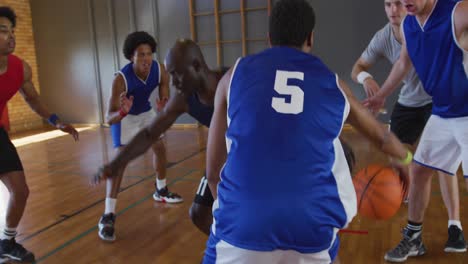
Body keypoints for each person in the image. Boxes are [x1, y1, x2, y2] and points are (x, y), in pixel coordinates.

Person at [203, 0, 411, 263]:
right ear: (310, 38)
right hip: (311, 229)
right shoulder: (333, 83)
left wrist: (242, 214)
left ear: (269, 38)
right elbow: (381, 136)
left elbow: (212, 172)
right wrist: (404, 159)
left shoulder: (233, 76)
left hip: (240, 230)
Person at [93, 38, 357, 237]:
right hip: (227, 159)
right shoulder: (184, 98)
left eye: (176, 74)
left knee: (267, 213)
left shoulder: (236, 80)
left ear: (196, 66)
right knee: (199, 214)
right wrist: (116, 164)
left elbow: (293, 111)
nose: (172, 82)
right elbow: (150, 132)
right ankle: (233, 248)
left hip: (261, 155)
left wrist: (338, 145)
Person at [351, 0, 465, 253]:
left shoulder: (456, 11)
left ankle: (454, 226)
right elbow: (402, 63)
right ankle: (414, 237)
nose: (401, 5)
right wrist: (379, 92)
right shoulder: (406, 27)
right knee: (420, 169)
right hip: (437, 109)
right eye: (394, 2)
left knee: (444, 170)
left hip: (455, 109)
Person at [0, 6, 79, 262]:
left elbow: (33, 99)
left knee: (20, 191)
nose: (10, 36)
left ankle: (6, 241)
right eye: (3, 31)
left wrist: (56, 121)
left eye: (12, 31)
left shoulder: (20, 69)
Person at [97, 31, 183, 242]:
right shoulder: (121, 79)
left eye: (148, 54)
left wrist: (164, 103)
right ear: (130, 57)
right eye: (140, 55)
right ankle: (108, 215)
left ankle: (161, 190)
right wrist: (123, 112)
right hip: (124, 117)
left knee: (160, 147)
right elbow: (109, 118)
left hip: (146, 112)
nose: (146, 59)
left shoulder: (159, 69)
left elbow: (164, 89)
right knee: (120, 161)